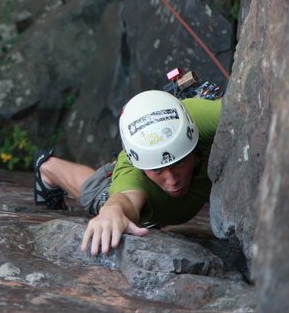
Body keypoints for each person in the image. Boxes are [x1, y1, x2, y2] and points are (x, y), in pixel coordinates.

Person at [33, 89, 222, 255]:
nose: (172, 180)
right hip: (132, 189)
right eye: (157, 170)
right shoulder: (132, 173)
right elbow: (125, 200)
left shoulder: (197, 117)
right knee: (100, 195)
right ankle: (48, 168)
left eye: (179, 163)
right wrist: (111, 211)